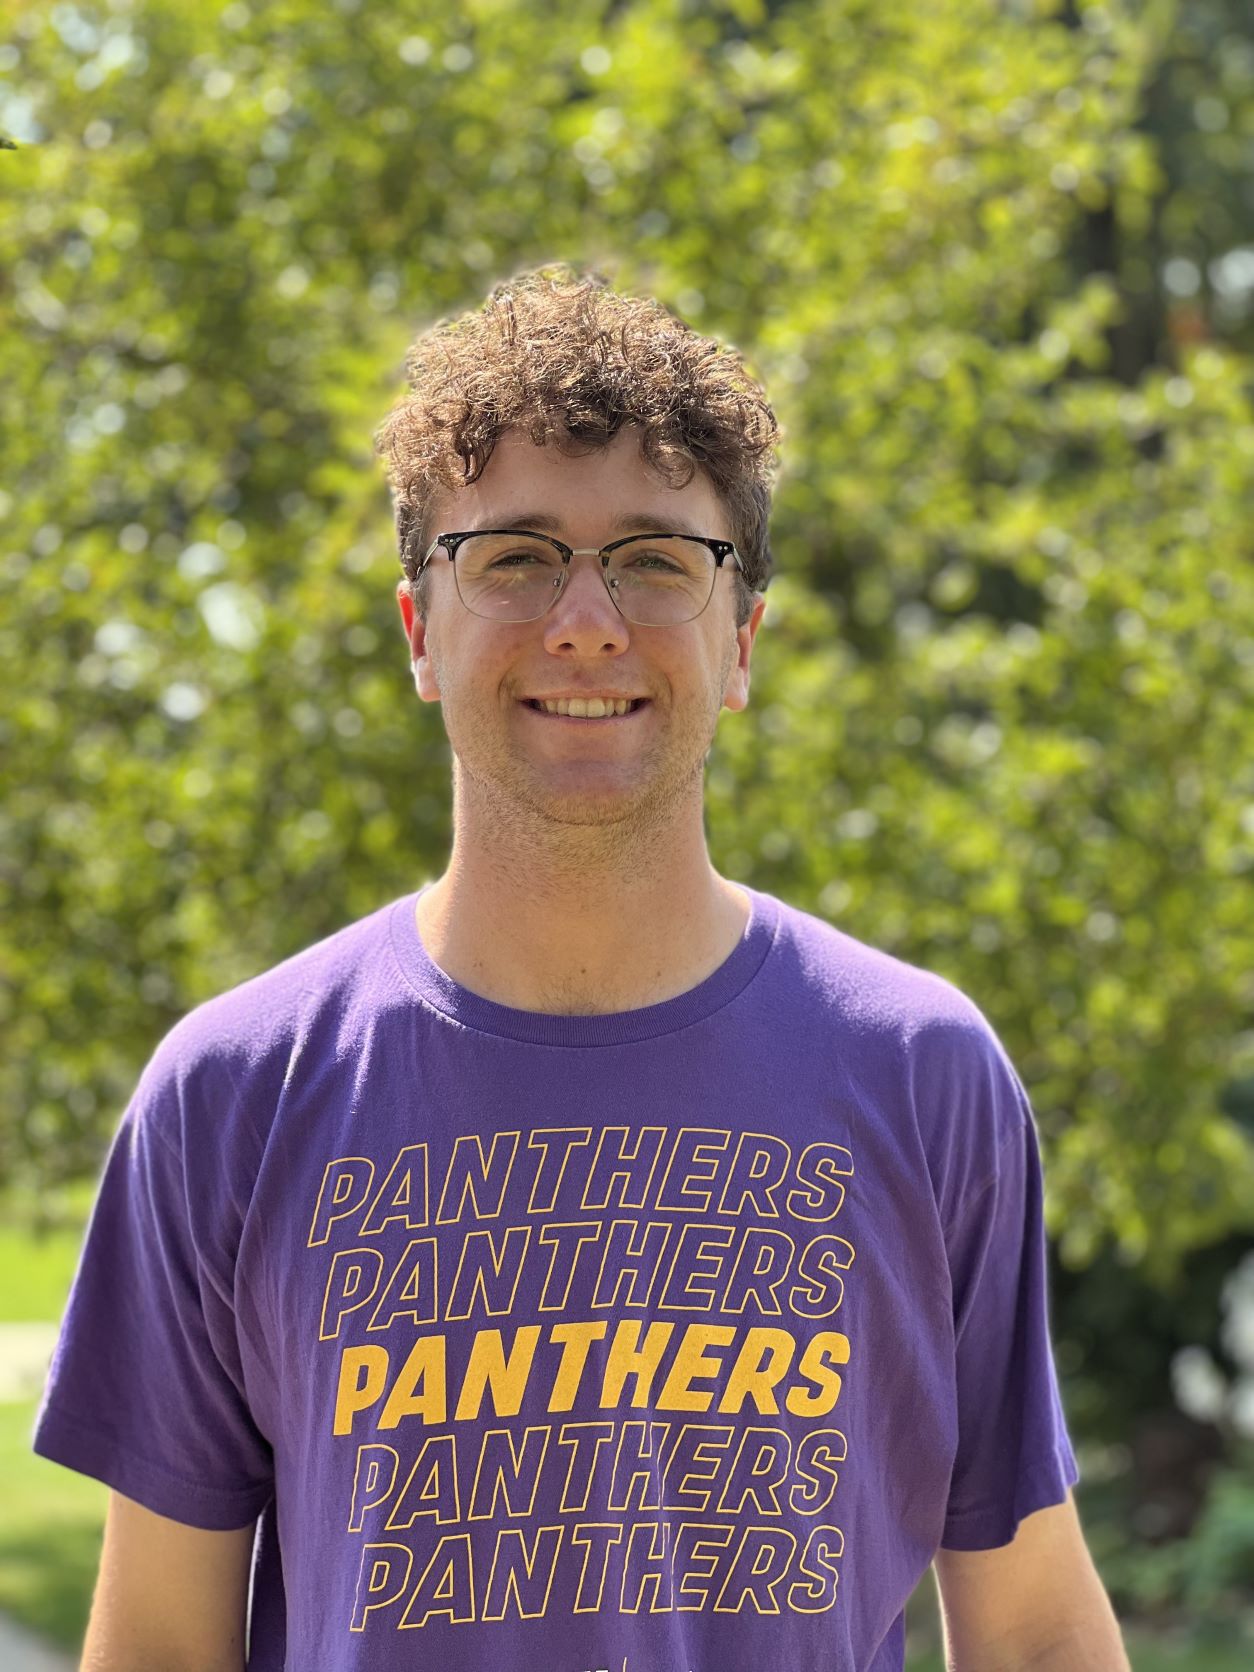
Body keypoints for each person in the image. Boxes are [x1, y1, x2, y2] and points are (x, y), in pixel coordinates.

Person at [34, 265, 1130, 1671]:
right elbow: (159, 1650)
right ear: (421, 628)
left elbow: (1033, 1629)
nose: (587, 622)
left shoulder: (918, 1071)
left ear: (740, 641)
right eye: (515, 556)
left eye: (659, 561)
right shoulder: (234, 1094)